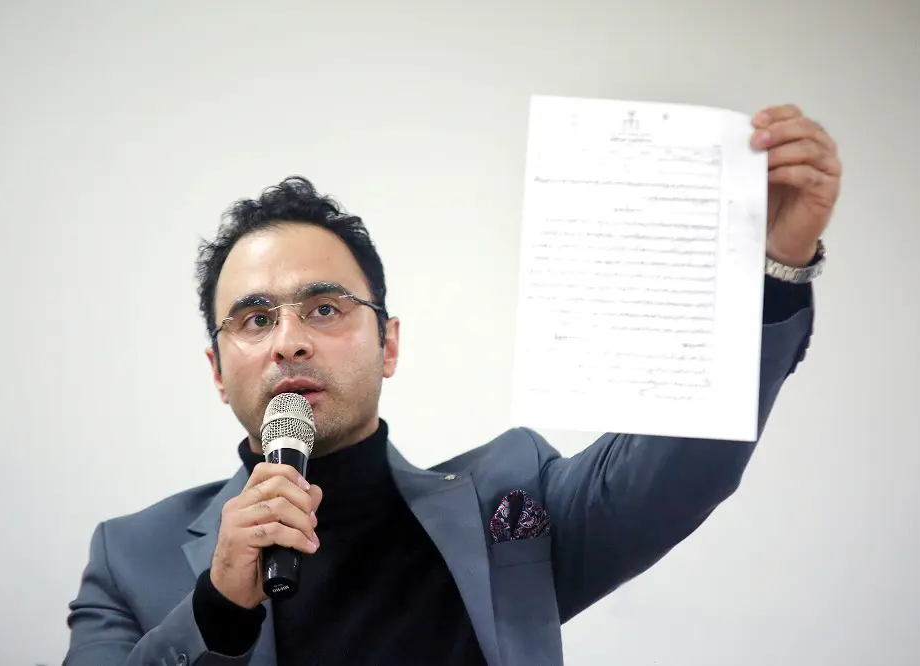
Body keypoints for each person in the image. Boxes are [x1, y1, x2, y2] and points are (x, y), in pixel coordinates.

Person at [63, 103, 840, 666]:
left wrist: (770, 271)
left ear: (389, 344)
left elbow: (678, 469)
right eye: (255, 319)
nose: (289, 340)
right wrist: (217, 609)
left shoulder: (512, 501)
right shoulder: (129, 557)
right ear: (217, 369)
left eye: (324, 308)